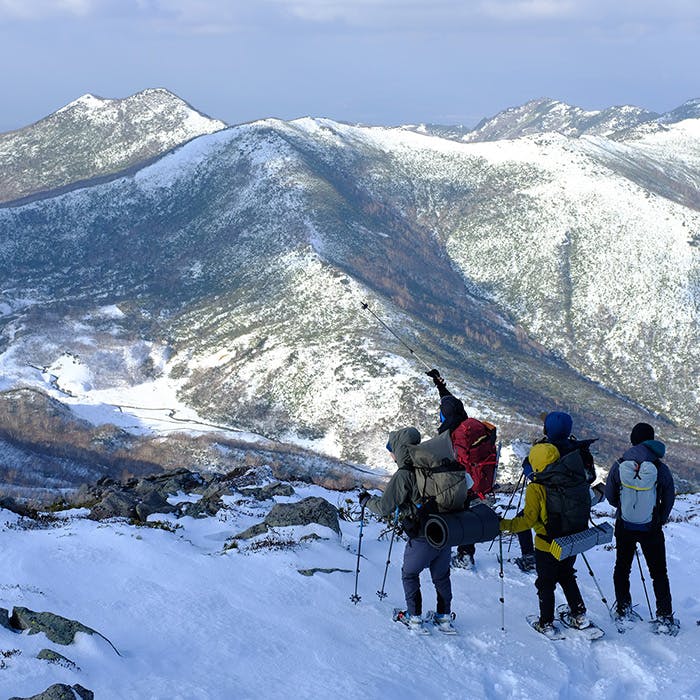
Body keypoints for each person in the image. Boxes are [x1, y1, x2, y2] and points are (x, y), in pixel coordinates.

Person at [359, 427, 454, 633]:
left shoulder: (404, 475)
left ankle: (414, 618)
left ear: (400, 450)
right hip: (444, 532)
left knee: (409, 574)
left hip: (422, 535)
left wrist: (367, 501)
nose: (391, 455)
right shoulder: (429, 466)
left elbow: (385, 507)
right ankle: (444, 617)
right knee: (441, 576)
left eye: (391, 450)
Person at [500, 442, 591, 637]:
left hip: (546, 544)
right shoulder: (574, 478)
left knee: (545, 583)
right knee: (566, 575)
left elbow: (528, 520)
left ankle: (546, 622)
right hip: (571, 541)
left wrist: (504, 525)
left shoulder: (537, 488)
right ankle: (579, 614)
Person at [604, 422, 676, 631]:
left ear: (632, 440)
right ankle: (664, 615)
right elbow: (669, 496)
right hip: (651, 527)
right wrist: (659, 518)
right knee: (658, 572)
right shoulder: (660, 467)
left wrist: (624, 508)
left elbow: (609, 495)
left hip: (624, 525)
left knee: (622, 567)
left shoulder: (620, 464)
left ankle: (623, 609)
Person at [426, 369, 497, 569]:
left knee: (458, 513)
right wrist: (440, 385)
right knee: (469, 513)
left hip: (465, 481)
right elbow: (453, 404)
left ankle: (463, 555)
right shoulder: (470, 424)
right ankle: (466, 552)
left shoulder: (452, 436)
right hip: (482, 477)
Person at [512, 411, 600, 572]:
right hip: (574, 504)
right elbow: (591, 477)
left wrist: (529, 458)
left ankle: (530, 557)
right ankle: (565, 562)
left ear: (547, 430)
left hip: (550, 502)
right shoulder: (578, 449)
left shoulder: (545, 453)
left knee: (523, 520)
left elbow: (532, 474)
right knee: (567, 530)